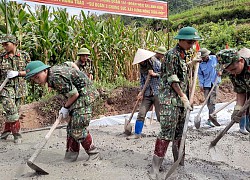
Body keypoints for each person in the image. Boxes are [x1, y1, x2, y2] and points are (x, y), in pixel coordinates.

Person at [148, 26, 202, 179]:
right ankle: (155, 167)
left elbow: (181, 70)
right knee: (166, 133)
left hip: (180, 102)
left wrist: (191, 63)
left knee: (179, 133)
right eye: (190, 41)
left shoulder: (182, 54)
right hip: (170, 101)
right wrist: (183, 97)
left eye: (193, 42)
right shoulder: (171, 55)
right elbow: (172, 78)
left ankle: (179, 162)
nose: (192, 44)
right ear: (181, 40)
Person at [25, 60, 99, 162]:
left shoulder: (55, 78)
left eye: (37, 77)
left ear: (45, 71)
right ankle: (71, 155)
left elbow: (74, 94)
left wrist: (65, 107)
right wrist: (78, 74)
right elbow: (69, 63)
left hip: (84, 94)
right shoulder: (53, 71)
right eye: (33, 79)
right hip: (78, 93)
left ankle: (93, 153)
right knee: (71, 127)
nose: (37, 81)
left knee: (78, 125)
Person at [127, 46, 166, 140]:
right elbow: (142, 81)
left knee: (160, 115)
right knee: (141, 113)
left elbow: (165, 74)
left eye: (142, 61)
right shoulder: (142, 68)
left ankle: (166, 133)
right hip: (147, 94)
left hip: (157, 92)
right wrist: (141, 92)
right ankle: (137, 134)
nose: (141, 62)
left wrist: (155, 75)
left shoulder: (156, 63)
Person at [0, 34, 30, 143]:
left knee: (14, 112)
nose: (4, 47)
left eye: (6, 44)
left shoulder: (24, 56)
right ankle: (17, 134)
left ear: (14, 44)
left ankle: (6, 132)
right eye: (3, 45)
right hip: (6, 89)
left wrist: (18, 73)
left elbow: (30, 71)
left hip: (20, 89)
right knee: (12, 111)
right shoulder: (1, 57)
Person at [216, 48, 250, 134]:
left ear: (241, 61)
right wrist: (238, 108)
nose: (232, 73)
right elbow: (240, 91)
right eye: (229, 71)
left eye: (234, 69)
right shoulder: (233, 73)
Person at [198, 48, 221, 127]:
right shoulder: (200, 64)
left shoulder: (214, 58)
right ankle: (210, 118)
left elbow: (221, 64)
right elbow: (200, 75)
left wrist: (220, 70)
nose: (205, 58)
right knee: (208, 103)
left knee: (212, 102)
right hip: (206, 84)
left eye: (205, 56)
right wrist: (201, 84)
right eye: (203, 57)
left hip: (214, 83)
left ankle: (213, 118)